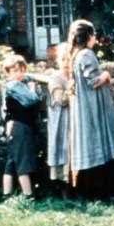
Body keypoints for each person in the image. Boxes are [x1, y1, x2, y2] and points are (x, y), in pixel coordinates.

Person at [67, 19, 114, 201]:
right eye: (94, 34)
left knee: (89, 144)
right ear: (89, 36)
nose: (96, 37)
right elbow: (93, 81)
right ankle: (96, 193)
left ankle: (88, 193)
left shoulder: (77, 54)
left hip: (85, 105)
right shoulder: (87, 54)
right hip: (90, 107)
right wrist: (105, 74)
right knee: (95, 142)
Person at [1, 54, 40, 197]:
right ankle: (28, 194)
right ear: (7, 72)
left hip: (14, 126)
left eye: (22, 70)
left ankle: (7, 194)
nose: (19, 74)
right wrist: (32, 88)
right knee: (23, 161)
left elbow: (28, 76)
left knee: (12, 161)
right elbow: (32, 99)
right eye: (15, 71)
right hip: (20, 126)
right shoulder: (15, 85)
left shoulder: (9, 84)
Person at [47, 44, 71, 199]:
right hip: (62, 123)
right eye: (63, 59)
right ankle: (64, 193)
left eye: (69, 59)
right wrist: (71, 89)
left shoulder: (75, 77)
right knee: (64, 152)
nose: (66, 63)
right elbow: (60, 99)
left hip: (75, 122)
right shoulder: (56, 79)